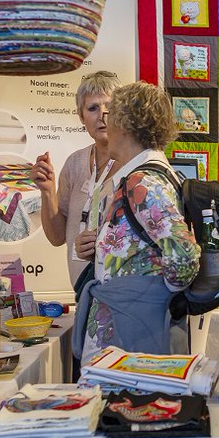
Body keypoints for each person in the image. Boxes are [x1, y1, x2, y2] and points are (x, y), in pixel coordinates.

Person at [74, 82, 200, 363]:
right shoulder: (143, 176)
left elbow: (184, 255)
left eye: (111, 116)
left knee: (129, 403)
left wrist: (151, 297)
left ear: (125, 125)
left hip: (134, 329)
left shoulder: (142, 181)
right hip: (130, 326)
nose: (106, 123)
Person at [32, 71, 120, 294]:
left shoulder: (134, 163)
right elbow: (57, 237)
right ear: (81, 117)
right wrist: (48, 191)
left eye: (109, 106)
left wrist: (101, 245)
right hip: (83, 294)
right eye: (93, 108)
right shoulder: (74, 163)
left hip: (122, 296)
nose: (103, 115)